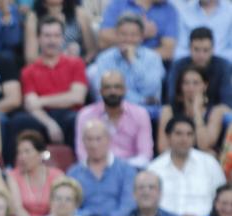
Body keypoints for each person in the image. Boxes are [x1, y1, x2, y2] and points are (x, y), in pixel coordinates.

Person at [14, 17, 88, 146]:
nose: (52, 41)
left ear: (62, 39)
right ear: (38, 39)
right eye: (47, 36)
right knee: (20, 121)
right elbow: (31, 105)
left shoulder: (76, 63)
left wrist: (41, 101)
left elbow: (77, 97)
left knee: (77, 119)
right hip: (42, 116)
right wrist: (50, 124)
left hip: (70, 113)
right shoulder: (28, 71)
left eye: (56, 36)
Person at [148, 116, 227, 216]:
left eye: (189, 134)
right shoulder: (154, 168)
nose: (184, 139)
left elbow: (223, 197)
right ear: (168, 136)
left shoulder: (210, 164)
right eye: (178, 134)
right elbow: (147, 204)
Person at [68, 121, 139, 216]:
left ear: (109, 140)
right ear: (83, 142)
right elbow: (70, 205)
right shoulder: (73, 173)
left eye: (98, 139)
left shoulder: (126, 170)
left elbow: (129, 204)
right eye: (89, 139)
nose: (94, 144)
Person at [88, 13, 166, 115]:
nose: (128, 39)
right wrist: (141, 100)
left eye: (133, 35)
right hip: (113, 109)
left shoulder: (153, 58)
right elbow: (104, 91)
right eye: (123, 34)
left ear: (142, 37)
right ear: (116, 35)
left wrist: (133, 61)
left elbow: (150, 90)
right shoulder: (104, 58)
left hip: (147, 112)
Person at [73, 70, 153, 169]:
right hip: (95, 171)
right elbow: (82, 154)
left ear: (124, 90)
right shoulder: (86, 115)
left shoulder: (140, 114)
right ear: (100, 91)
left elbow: (145, 155)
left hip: (131, 171)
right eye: (107, 87)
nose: (112, 92)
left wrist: (119, 169)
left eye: (117, 87)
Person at [158, 66, 228, 157]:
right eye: (186, 83)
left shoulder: (216, 111)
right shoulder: (168, 110)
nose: (191, 87)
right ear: (180, 86)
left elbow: (204, 144)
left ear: (205, 85)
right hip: (175, 162)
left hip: (203, 165)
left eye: (196, 83)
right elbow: (163, 148)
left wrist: (196, 111)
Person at [5, 131, 65, 216]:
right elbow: (16, 208)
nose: (22, 157)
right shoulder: (13, 175)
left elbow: (59, 206)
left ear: (40, 154)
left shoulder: (57, 175)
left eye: (27, 152)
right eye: (19, 152)